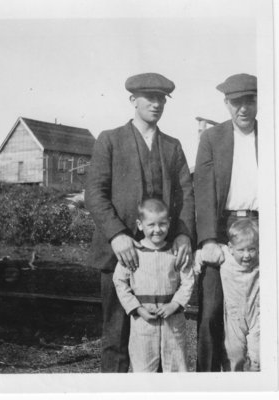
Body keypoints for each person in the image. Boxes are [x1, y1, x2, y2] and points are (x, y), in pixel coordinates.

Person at [86, 72, 195, 373]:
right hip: (119, 253)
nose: (156, 104)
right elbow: (94, 193)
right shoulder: (110, 140)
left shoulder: (172, 146)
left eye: (162, 99)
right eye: (150, 97)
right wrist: (117, 235)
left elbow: (186, 194)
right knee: (117, 338)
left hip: (162, 258)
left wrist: (184, 234)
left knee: (162, 339)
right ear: (133, 100)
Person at [194, 73, 258, 371]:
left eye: (250, 101)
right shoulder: (212, 138)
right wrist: (207, 240)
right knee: (211, 312)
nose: (243, 109)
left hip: (263, 227)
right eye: (236, 103)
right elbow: (204, 191)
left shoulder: (271, 133)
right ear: (226, 104)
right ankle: (207, 383)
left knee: (262, 312)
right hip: (223, 230)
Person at [113, 198, 194, 372]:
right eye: (151, 225)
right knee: (143, 369)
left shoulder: (175, 251)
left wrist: (175, 304)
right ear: (140, 225)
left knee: (176, 368)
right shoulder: (133, 253)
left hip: (172, 319)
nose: (157, 230)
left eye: (162, 224)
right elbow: (119, 281)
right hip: (143, 320)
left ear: (169, 223)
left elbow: (188, 280)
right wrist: (137, 308)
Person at [220, 219, 260, 371]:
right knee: (234, 353)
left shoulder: (261, 262)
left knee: (258, 353)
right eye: (241, 250)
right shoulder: (225, 257)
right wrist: (197, 260)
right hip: (234, 317)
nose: (247, 255)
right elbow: (205, 253)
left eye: (252, 249)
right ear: (231, 248)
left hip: (256, 314)